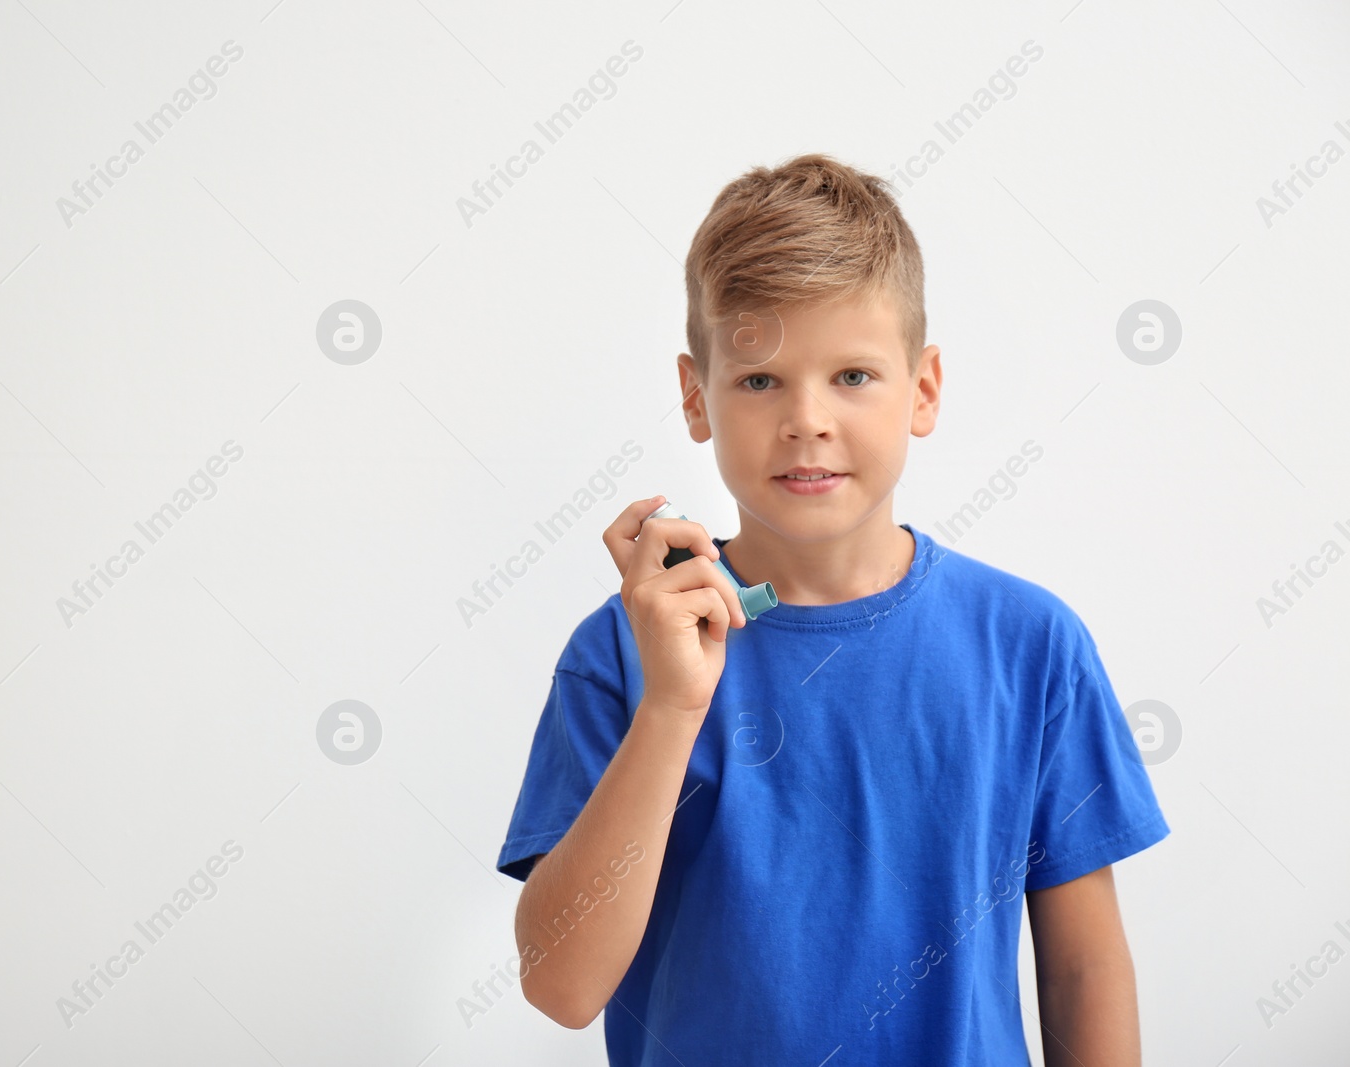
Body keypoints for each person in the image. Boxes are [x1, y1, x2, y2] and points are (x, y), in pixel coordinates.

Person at [494, 152, 1170, 1065]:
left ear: (922, 389)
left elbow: (1084, 968)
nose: (807, 418)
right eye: (760, 380)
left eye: (852, 376)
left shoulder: (1031, 646)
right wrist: (671, 708)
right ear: (696, 397)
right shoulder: (624, 653)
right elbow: (562, 986)